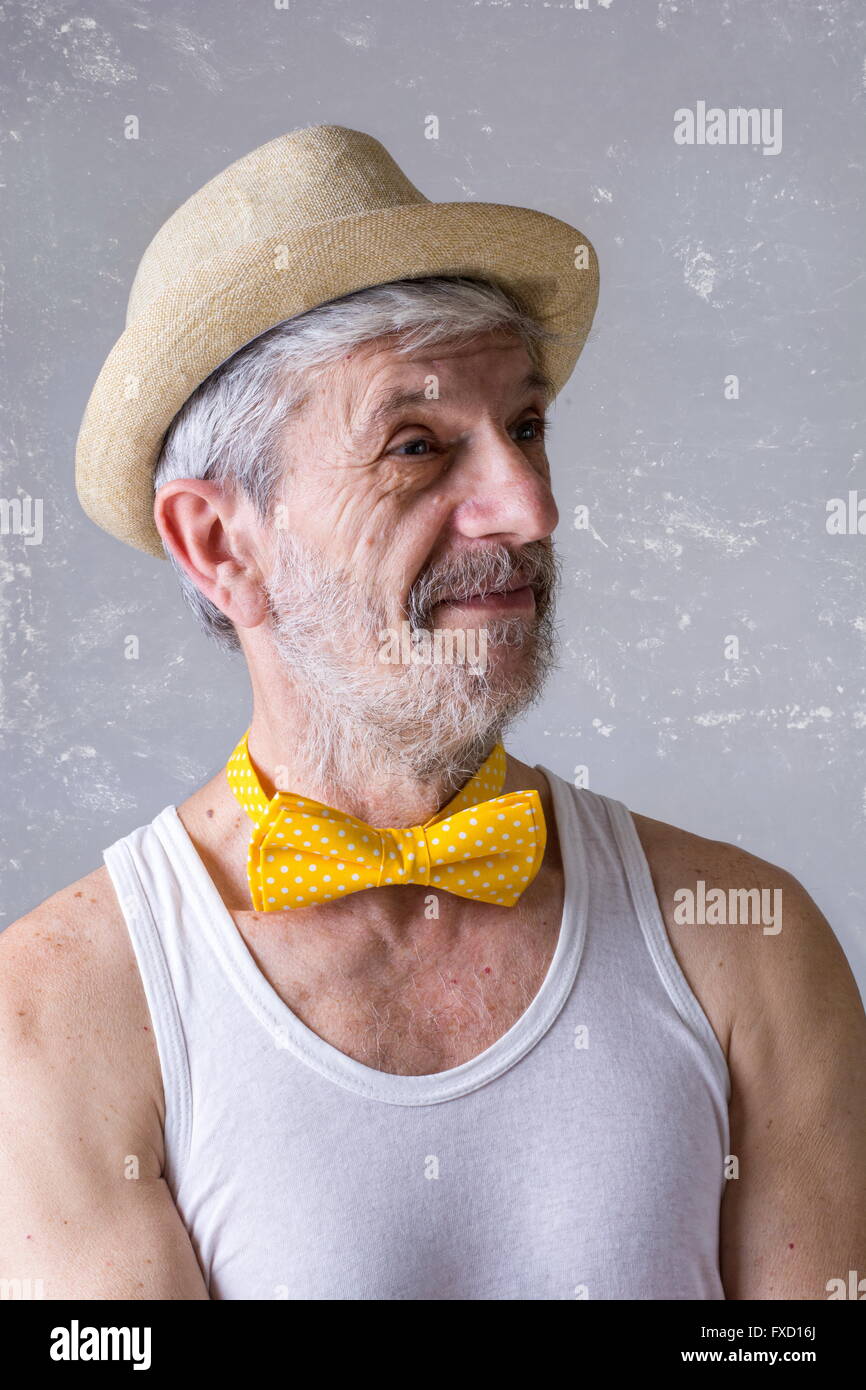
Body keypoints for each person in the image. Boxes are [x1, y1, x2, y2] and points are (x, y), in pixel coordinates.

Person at [1, 126, 863, 1301]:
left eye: (523, 426)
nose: (530, 506)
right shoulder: (55, 1014)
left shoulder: (747, 945)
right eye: (415, 445)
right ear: (218, 544)